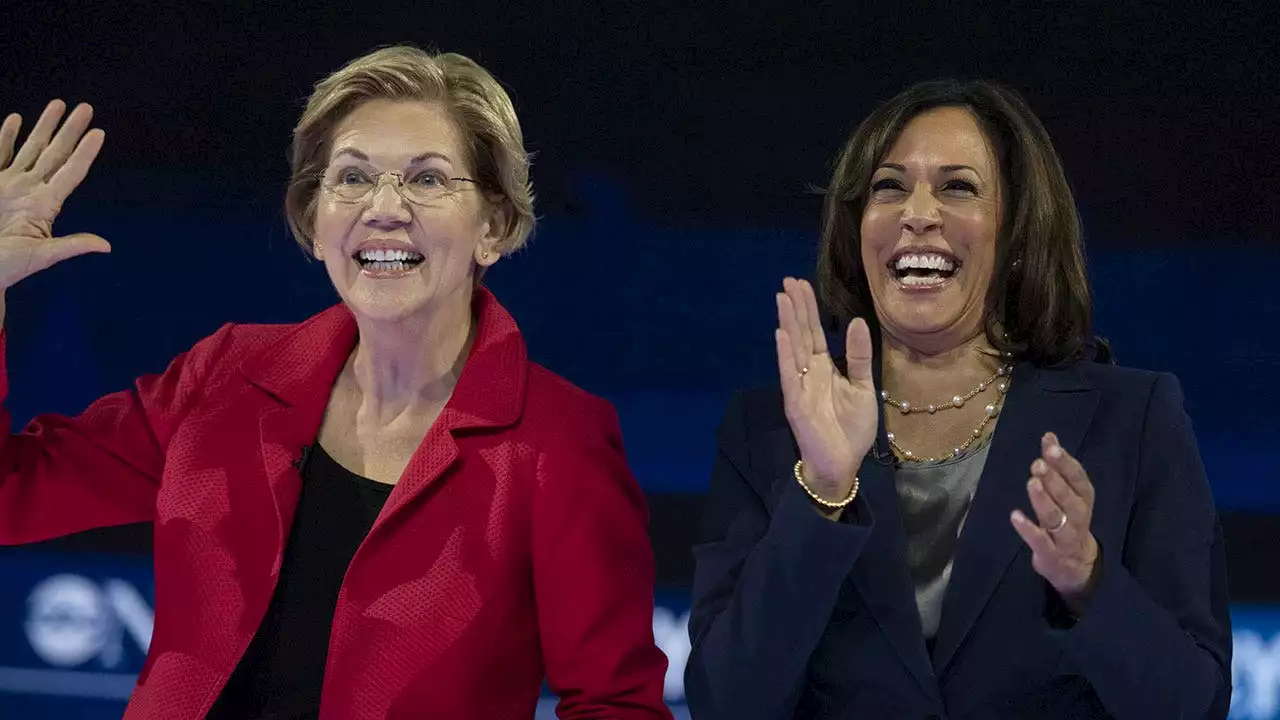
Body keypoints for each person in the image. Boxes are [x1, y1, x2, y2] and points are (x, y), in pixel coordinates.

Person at [0, 46, 671, 719]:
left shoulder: (559, 442)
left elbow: (617, 704)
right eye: (351, 178)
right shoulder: (225, 375)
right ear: (313, 224)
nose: (384, 207)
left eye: (428, 180)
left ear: (493, 227)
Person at [684, 79, 1231, 719]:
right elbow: (727, 704)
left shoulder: (1131, 421)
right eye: (889, 186)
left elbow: (1193, 705)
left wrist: (1088, 580)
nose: (918, 212)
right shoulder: (768, 432)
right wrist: (824, 492)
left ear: (1018, 228)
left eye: (958, 187)